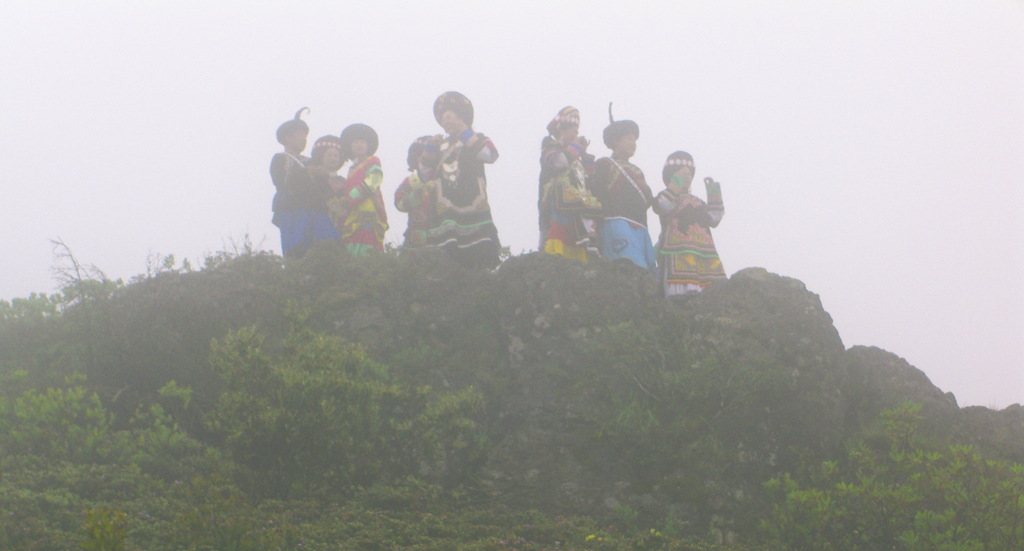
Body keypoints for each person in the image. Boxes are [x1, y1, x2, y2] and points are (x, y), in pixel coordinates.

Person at [418, 91, 501, 269]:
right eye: (442, 119)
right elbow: (424, 175)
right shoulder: (440, 146)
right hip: (445, 209)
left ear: (461, 117)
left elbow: (489, 155)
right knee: (447, 253)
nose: (445, 122)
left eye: (449, 117)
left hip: (472, 201)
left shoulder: (478, 138)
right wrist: (429, 150)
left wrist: (465, 134)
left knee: (477, 254)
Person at [589, 104, 656, 271]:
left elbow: (647, 202)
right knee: (624, 263)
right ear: (616, 141)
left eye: (634, 139)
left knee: (644, 270)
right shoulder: (604, 164)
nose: (633, 143)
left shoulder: (638, 171)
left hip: (639, 226)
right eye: (629, 138)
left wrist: (647, 190)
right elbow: (596, 193)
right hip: (615, 221)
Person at [652, 151, 726, 298]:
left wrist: (713, 192)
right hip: (678, 252)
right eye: (681, 174)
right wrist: (675, 186)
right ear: (671, 176)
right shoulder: (669, 198)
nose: (687, 177)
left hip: (703, 254)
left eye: (689, 174)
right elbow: (662, 206)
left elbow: (714, 219)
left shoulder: (698, 202)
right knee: (680, 293)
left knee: (710, 294)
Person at [538, 106, 601, 261]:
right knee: (560, 232)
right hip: (559, 205)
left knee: (576, 237)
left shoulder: (575, 157)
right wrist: (577, 147)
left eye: (577, 131)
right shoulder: (552, 148)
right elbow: (558, 162)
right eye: (573, 130)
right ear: (561, 132)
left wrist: (585, 156)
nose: (575, 134)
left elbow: (589, 180)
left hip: (577, 209)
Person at [271, 107, 326, 258]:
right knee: (296, 249)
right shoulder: (280, 159)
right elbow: (282, 182)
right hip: (292, 210)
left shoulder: (311, 161)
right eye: (300, 135)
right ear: (288, 138)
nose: (304, 140)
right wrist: (306, 172)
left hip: (315, 211)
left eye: (305, 136)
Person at [328, 123, 388, 255]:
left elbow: (375, 179)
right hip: (354, 213)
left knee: (369, 246)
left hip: (369, 211)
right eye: (356, 142)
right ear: (351, 146)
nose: (359, 145)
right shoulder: (352, 169)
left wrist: (353, 196)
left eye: (362, 142)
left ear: (367, 145)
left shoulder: (373, 161)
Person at [394, 135, 437, 252]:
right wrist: (416, 196)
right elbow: (399, 204)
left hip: (442, 233)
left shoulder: (443, 179)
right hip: (416, 237)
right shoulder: (411, 181)